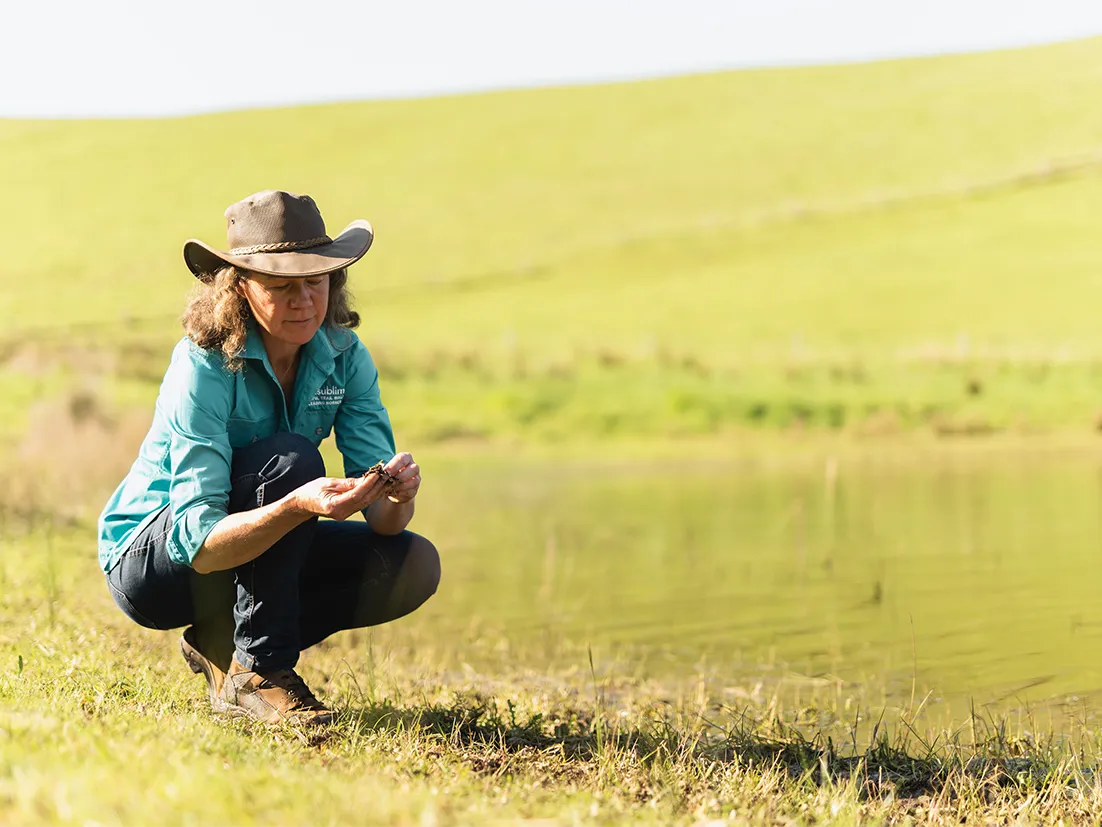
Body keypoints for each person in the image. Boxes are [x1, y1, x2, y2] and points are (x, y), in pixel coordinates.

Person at [97, 190, 440, 727]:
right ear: (239, 292)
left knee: (410, 563)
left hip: (252, 542)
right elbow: (199, 543)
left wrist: (397, 495)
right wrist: (296, 507)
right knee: (293, 460)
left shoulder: (346, 357)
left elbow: (384, 519)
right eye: (281, 286)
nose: (304, 299)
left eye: (316, 281)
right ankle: (260, 672)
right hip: (154, 562)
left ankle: (225, 648)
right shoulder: (203, 365)